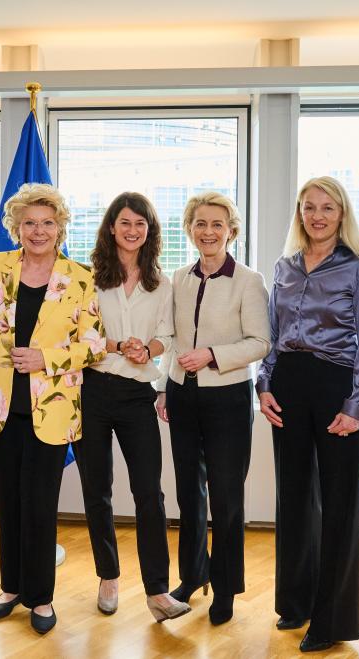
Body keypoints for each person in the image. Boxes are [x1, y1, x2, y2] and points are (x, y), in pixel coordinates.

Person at [257, 176, 359, 653]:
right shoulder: (285, 266)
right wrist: (263, 385)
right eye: (309, 207)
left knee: (339, 504)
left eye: (327, 207)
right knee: (293, 499)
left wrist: (355, 406)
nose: (318, 215)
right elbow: (273, 329)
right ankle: (296, 602)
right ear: (300, 213)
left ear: (342, 213)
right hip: (288, 384)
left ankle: (332, 621)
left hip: (336, 387)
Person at [0, 183, 107, 634]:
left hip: (52, 407)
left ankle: (41, 597)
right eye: (29, 222)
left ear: (61, 227)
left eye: (47, 223)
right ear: (15, 227)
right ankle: (11, 586)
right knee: (9, 500)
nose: (38, 230)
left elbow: (95, 345)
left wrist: (46, 359)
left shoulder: (79, 276)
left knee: (40, 503)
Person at [156, 192, 270, 625]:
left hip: (228, 398)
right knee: (189, 494)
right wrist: (165, 387)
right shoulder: (178, 278)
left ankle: (226, 589)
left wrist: (211, 355)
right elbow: (171, 340)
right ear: (190, 229)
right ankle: (192, 575)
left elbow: (261, 342)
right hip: (182, 395)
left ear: (231, 231)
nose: (208, 231)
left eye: (217, 224)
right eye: (200, 223)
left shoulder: (248, 280)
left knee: (226, 499)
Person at [74, 191, 187, 623]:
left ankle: (157, 591)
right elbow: (79, 336)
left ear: (149, 230)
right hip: (94, 393)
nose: (132, 230)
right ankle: (108, 577)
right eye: (125, 222)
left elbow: (167, 336)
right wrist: (122, 345)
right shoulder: (88, 279)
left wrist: (148, 350)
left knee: (149, 493)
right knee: (97, 490)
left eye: (140, 223)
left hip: (138, 393)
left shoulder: (162, 283)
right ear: (111, 227)